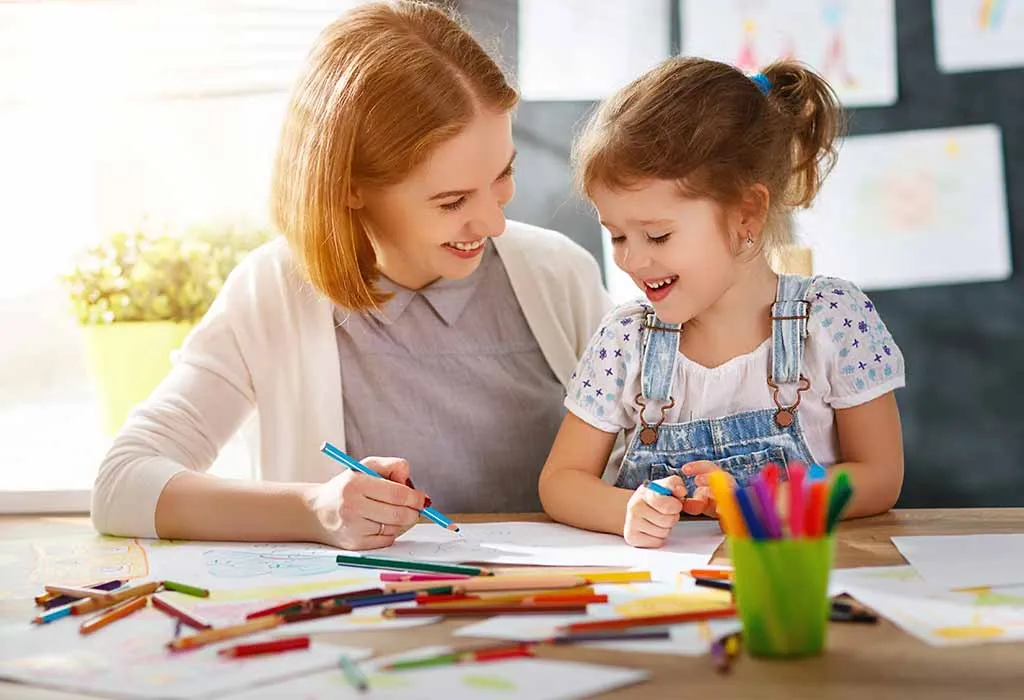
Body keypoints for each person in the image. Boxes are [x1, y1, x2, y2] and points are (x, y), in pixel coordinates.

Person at [91, 0, 611, 550]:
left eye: (503, 175)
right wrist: (314, 510)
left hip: (550, 611)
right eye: (452, 200)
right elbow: (121, 483)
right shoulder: (273, 294)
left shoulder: (560, 279)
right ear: (350, 187)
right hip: (362, 624)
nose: (494, 221)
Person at [539, 58, 905, 548]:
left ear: (745, 213)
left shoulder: (832, 319)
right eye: (617, 235)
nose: (631, 259)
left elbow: (880, 475)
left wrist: (766, 505)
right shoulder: (625, 340)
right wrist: (625, 509)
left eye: (658, 235)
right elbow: (560, 481)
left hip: (795, 583)